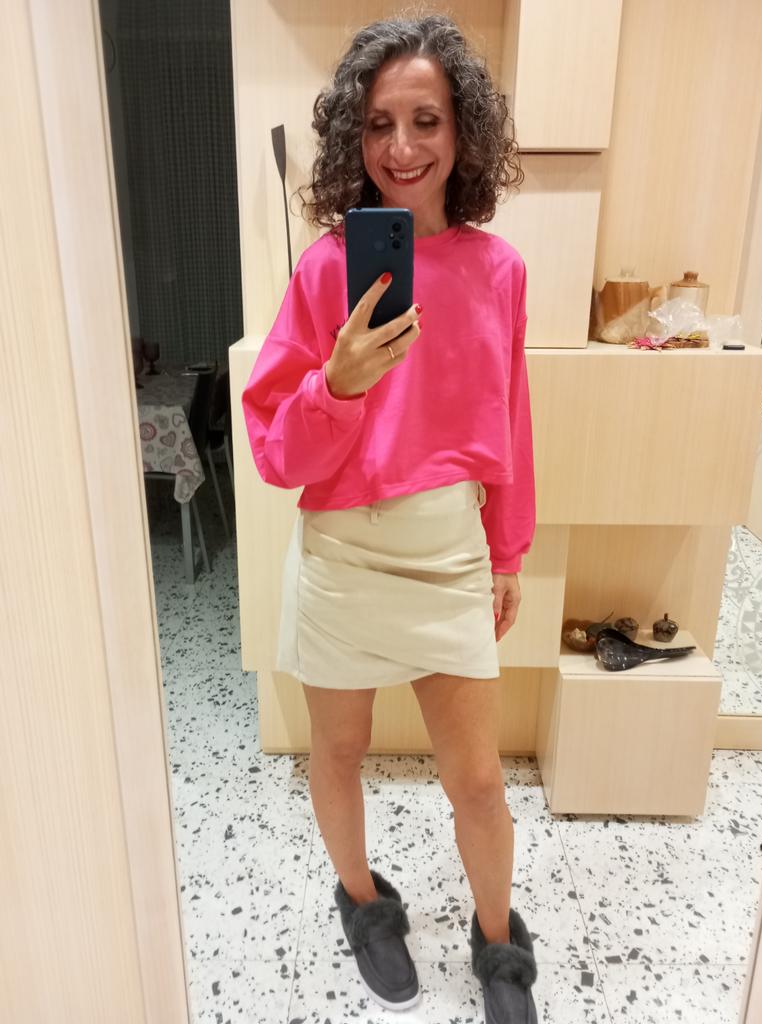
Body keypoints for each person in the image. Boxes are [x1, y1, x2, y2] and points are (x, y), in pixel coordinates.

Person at [242, 13, 537, 1023]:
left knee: (480, 781)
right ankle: (363, 901)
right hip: (344, 554)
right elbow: (277, 453)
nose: (401, 147)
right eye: (377, 124)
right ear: (350, 138)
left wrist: (507, 549)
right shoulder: (327, 270)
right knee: (336, 752)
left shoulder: (499, 271)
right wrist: (337, 383)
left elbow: (511, 418)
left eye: (426, 120)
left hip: (449, 549)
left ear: (464, 132)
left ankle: (500, 944)